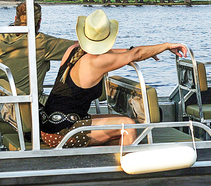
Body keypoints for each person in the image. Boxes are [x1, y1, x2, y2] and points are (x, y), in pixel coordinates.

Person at [39, 9, 187, 148]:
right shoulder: (96, 62)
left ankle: (110, 161)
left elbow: (122, 53)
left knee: (130, 124)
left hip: (50, 125)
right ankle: (123, 171)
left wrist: (147, 51)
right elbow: (135, 54)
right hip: (62, 132)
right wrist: (167, 45)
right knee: (127, 126)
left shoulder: (73, 51)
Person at [0, 2, 75, 100]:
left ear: (16, 19)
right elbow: (81, 47)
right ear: (39, 22)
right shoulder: (42, 43)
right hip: (26, 104)